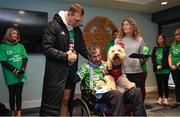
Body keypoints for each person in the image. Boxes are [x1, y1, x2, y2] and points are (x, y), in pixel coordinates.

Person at [39, 3, 88, 116]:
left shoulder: (76, 30)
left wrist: (95, 59)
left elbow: (82, 48)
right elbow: (46, 48)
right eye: (76, 20)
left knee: (66, 101)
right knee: (53, 105)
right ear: (69, 13)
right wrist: (66, 56)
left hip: (70, 73)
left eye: (79, 21)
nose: (78, 23)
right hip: (56, 74)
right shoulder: (53, 25)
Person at [75, 45, 147, 116]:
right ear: (89, 58)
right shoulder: (85, 67)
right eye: (94, 57)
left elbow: (118, 75)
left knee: (136, 91)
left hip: (113, 90)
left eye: (99, 55)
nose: (98, 59)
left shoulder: (107, 64)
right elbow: (76, 78)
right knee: (117, 94)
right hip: (97, 95)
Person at [0, 27, 28, 117]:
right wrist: (15, 70)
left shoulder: (20, 46)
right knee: (12, 95)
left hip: (21, 74)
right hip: (10, 74)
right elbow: (3, 61)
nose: (16, 35)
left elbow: (25, 58)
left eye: (17, 33)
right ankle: (12, 113)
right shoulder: (3, 47)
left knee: (19, 95)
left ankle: (19, 114)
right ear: (8, 35)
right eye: (14, 33)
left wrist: (22, 70)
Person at [120, 18, 144, 88]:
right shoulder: (118, 40)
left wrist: (145, 58)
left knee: (136, 93)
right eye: (123, 25)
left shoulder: (140, 39)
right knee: (124, 93)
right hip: (123, 71)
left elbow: (142, 56)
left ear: (132, 26)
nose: (124, 26)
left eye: (127, 24)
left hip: (136, 71)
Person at [151, 34, 170, 105]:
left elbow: (167, 58)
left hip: (165, 70)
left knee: (165, 84)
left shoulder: (167, 48)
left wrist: (162, 65)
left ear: (164, 40)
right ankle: (160, 98)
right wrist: (157, 65)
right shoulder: (155, 48)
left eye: (161, 38)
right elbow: (153, 58)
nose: (159, 40)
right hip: (157, 70)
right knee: (159, 84)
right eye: (158, 38)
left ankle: (166, 99)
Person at [168, 28, 180, 108]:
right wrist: (170, 65)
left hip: (178, 67)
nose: (177, 36)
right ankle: (178, 102)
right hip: (173, 68)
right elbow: (170, 56)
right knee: (177, 85)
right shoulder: (173, 45)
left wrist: (176, 65)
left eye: (178, 34)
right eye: (176, 35)